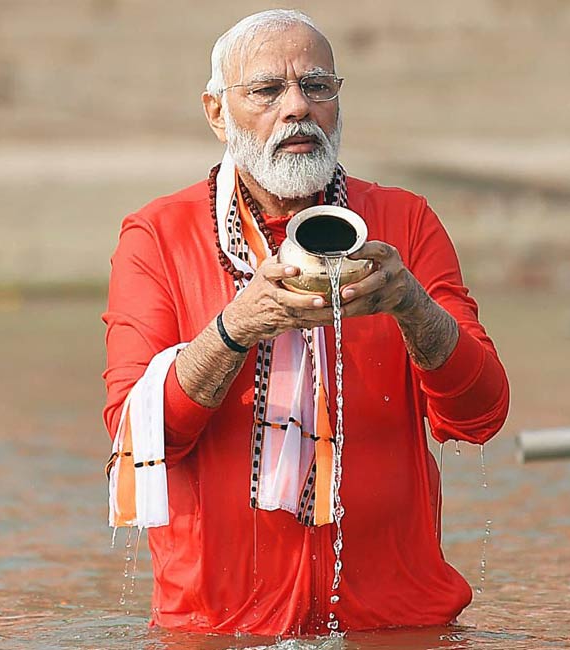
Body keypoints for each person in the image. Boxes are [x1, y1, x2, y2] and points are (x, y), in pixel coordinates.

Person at [101, 9, 510, 636]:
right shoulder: (157, 236)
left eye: (317, 86)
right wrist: (236, 328)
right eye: (267, 90)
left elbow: (480, 416)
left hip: (398, 627)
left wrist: (411, 304)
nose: (298, 108)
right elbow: (140, 436)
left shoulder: (403, 223)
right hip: (220, 630)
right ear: (217, 113)